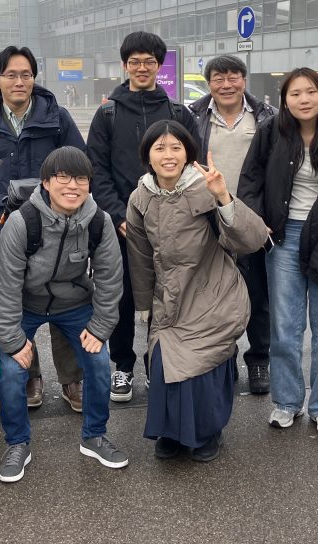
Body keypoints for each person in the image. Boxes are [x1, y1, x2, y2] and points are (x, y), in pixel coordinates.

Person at [238, 68, 318, 437]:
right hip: (283, 238)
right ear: (284, 100)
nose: (303, 99)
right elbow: (250, 181)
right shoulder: (271, 134)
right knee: (285, 328)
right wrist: (258, 222)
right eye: (295, 93)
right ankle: (287, 401)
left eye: (311, 92)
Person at [126, 120, 268, 462]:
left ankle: (206, 431)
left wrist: (222, 196)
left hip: (213, 293)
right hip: (170, 300)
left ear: (188, 152)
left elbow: (253, 239)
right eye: (159, 148)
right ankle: (172, 432)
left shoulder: (204, 188)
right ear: (148, 156)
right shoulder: (140, 197)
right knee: (162, 363)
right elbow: (140, 256)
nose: (168, 155)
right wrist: (144, 305)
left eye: (176, 147)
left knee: (202, 365)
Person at [0, 146, 128, 482]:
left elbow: (110, 278)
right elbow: (4, 285)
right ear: (46, 182)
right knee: (11, 371)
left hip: (73, 303)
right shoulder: (24, 221)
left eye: (81, 178)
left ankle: (94, 436)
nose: (72, 186)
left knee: (97, 362)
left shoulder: (99, 221)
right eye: (62, 177)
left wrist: (100, 327)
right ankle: (17, 443)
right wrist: (13, 339)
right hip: (26, 304)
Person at [86, 30, 200, 403]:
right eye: (134, 61)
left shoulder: (178, 113)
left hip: (171, 224)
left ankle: (159, 364)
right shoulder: (107, 113)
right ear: (124, 66)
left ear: (158, 65)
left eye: (149, 61)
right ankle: (122, 366)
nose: (141, 68)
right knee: (118, 296)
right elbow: (96, 171)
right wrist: (119, 215)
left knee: (166, 295)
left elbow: (191, 165)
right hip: (120, 224)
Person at [0, 45, 87, 412]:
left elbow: (80, 164)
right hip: (4, 224)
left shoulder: (55, 117)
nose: (19, 81)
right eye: (10, 75)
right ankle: (30, 375)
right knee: (16, 300)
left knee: (63, 295)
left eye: (26, 74)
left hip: (57, 223)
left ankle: (72, 379)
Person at [188, 55, 276, 395]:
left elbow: (277, 172)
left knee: (257, 296)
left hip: (252, 220)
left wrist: (267, 219)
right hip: (209, 219)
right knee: (213, 296)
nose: (227, 84)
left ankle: (258, 361)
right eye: (218, 78)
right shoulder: (194, 116)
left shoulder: (267, 118)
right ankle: (225, 359)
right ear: (208, 83)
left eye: (233, 77)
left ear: (244, 79)